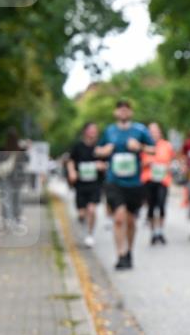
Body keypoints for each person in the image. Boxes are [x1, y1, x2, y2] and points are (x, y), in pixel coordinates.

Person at [96, 100, 154, 270]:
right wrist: (104, 151)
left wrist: (140, 147)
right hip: (114, 181)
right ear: (115, 113)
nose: (123, 112)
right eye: (120, 109)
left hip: (134, 183)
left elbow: (154, 149)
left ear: (131, 112)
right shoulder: (109, 131)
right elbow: (97, 151)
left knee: (130, 221)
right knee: (119, 218)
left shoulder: (139, 130)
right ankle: (120, 254)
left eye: (126, 109)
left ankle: (129, 251)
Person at [67, 122, 106, 248]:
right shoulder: (78, 146)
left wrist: (102, 166)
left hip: (95, 184)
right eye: (91, 130)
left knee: (92, 209)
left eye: (95, 130)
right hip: (81, 185)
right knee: (82, 214)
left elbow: (108, 163)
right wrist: (72, 172)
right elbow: (70, 161)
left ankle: (90, 235)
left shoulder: (100, 147)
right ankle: (84, 226)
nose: (93, 132)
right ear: (85, 131)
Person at [141, 122, 174, 245]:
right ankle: (153, 232)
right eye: (151, 131)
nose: (154, 134)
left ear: (160, 132)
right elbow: (139, 163)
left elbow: (172, 161)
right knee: (150, 207)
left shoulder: (166, 145)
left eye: (156, 131)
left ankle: (160, 231)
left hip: (163, 180)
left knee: (161, 205)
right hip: (148, 179)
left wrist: (169, 167)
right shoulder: (144, 146)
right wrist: (147, 163)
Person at [0, 127, 30, 229]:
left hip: (11, 179)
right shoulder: (15, 150)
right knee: (14, 200)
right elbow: (27, 161)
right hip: (12, 179)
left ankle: (10, 220)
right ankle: (13, 220)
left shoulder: (9, 150)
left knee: (10, 200)